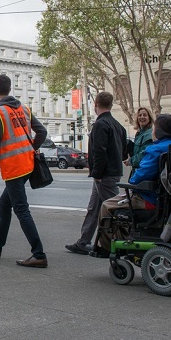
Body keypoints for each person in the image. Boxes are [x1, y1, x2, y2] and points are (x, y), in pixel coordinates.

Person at [0, 75, 48, 267]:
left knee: (21, 209)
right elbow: (42, 132)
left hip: (14, 168)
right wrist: (32, 148)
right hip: (27, 165)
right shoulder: (24, 108)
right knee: (5, 205)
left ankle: (39, 254)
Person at [95, 114, 171, 255]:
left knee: (106, 206)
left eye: (154, 129)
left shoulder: (155, 150)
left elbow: (137, 179)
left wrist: (131, 183)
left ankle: (105, 247)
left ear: (159, 132)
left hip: (151, 200)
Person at [65, 91, 127, 256]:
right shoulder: (117, 125)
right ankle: (83, 241)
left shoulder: (100, 125)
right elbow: (123, 149)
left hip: (104, 175)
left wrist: (97, 173)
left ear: (96, 104)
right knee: (94, 208)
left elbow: (99, 151)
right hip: (112, 171)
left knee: (114, 209)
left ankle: (120, 241)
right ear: (111, 105)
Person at [124, 107, 153, 177]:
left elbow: (145, 153)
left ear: (150, 118)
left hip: (144, 173)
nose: (142, 117)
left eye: (145, 115)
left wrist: (131, 161)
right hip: (138, 171)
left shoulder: (150, 134)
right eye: (140, 115)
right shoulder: (139, 133)